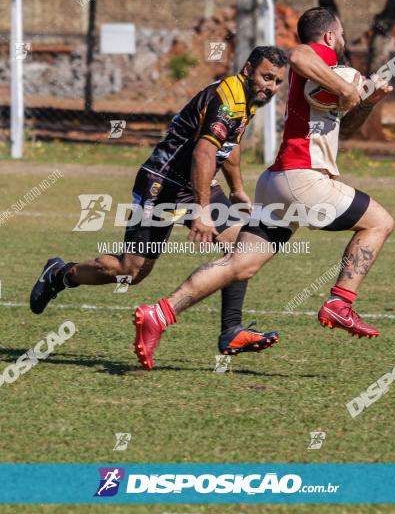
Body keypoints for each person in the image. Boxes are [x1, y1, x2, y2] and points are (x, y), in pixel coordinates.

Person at [132, 7, 394, 370]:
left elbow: (344, 125)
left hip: (278, 182)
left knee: (239, 266)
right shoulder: (321, 57)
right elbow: (298, 54)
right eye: (343, 35)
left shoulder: (325, 75)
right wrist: (349, 87)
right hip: (303, 179)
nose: (344, 42)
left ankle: (159, 313)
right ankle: (340, 302)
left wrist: (366, 100)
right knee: (379, 222)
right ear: (331, 36)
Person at [29, 46, 287, 361]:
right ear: (248, 69)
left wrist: (237, 189)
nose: (271, 87)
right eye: (267, 77)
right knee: (131, 271)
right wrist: (203, 212)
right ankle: (60, 274)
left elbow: (228, 145)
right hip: (162, 185)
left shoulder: (247, 99)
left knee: (242, 249)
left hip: (197, 183)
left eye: (277, 82)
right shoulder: (228, 101)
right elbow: (203, 153)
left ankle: (231, 330)